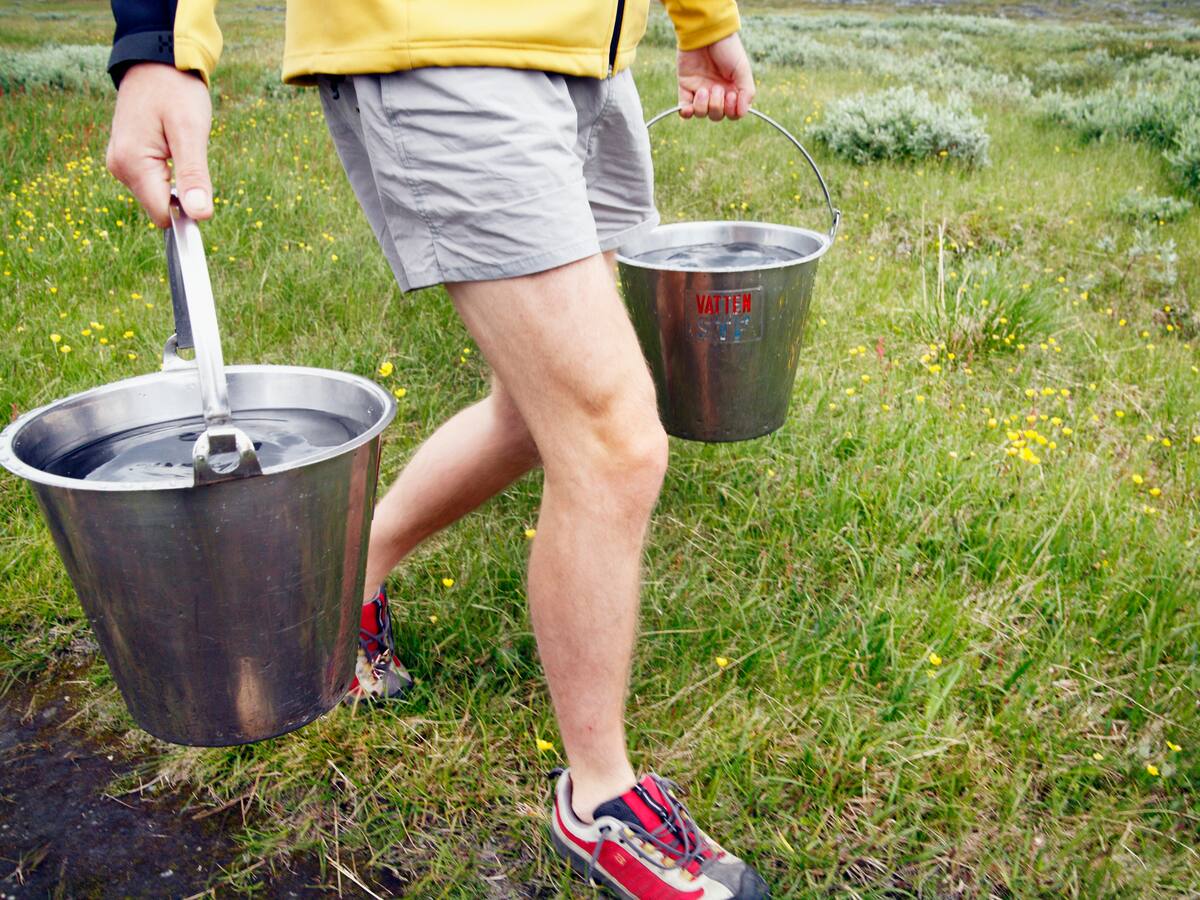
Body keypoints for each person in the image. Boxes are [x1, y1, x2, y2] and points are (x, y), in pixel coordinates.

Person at [105, 0, 766, 895]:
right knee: (615, 443)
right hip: (444, 45)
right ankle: (598, 798)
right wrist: (159, 49)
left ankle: (352, 581)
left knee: (542, 411)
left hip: (590, 56)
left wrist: (702, 18)